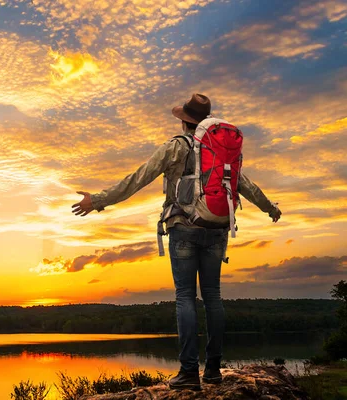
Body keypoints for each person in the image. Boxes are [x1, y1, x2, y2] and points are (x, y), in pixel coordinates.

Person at [71, 93, 282, 390]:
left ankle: (187, 374)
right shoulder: (219, 153)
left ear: (184, 120)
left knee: (185, 297)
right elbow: (244, 185)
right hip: (218, 229)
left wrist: (99, 200)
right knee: (213, 297)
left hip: (183, 227)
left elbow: (139, 177)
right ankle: (213, 371)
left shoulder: (176, 147)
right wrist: (270, 208)